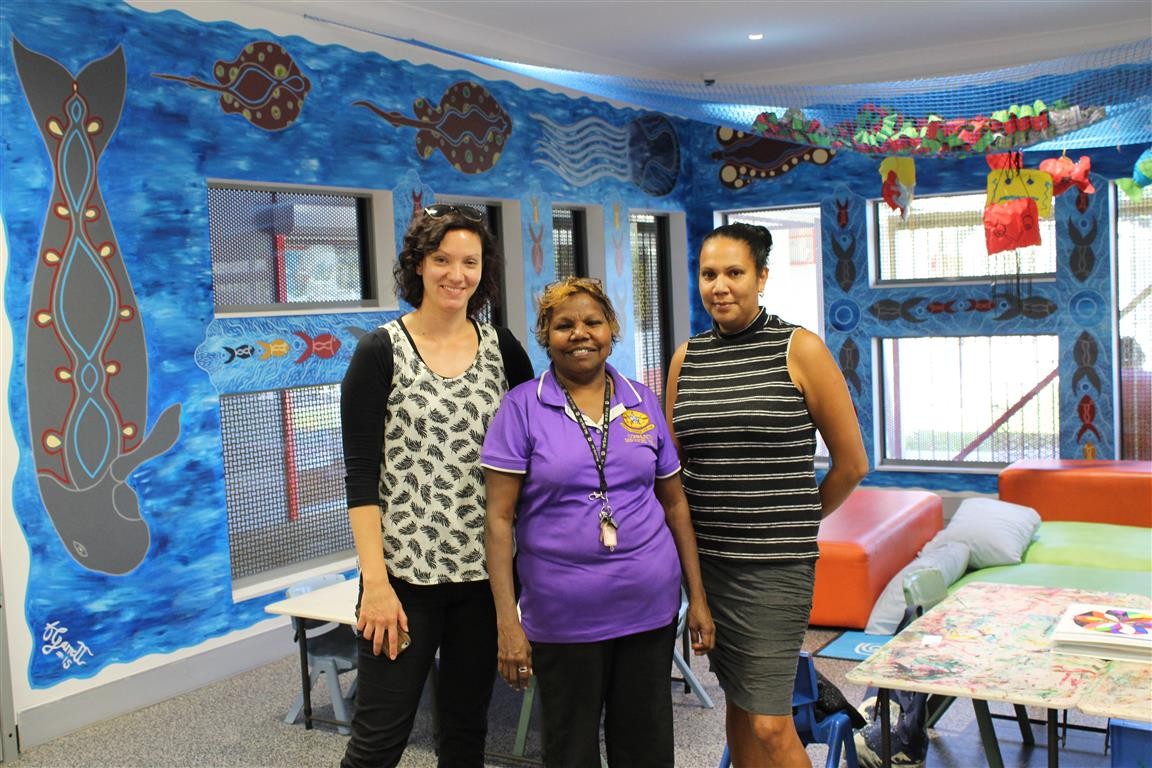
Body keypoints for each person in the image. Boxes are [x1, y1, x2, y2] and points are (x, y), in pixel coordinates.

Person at [482, 277, 714, 768]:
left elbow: (675, 504)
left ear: (612, 329)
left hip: (648, 608)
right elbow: (499, 519)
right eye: (564, 325)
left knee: (646, 747)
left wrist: (698, 599)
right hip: (562, 614)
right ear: (546, 334)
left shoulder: (642, 401)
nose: (580, 333)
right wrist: (507, 621)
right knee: (571, 749)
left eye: (593, 321)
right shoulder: (521, 407)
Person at [665, 222, 869, 767]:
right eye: (709, 274)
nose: (720, 286)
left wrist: (799, 521)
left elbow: (852, 464)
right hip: (708, 566)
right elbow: (671, 469)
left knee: (771, 723)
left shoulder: (799, 349)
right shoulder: (687, 360)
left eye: (735, 272)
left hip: (775, 567)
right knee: (739, 710)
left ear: (762, 277)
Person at [339, 204, 534, 768]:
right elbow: (361, 475)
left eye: (469, 262)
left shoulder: (503, 348)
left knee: (466, 733)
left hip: (484, 581)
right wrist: (374, 583)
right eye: (442, 259)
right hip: (403, 584)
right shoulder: (381, 351)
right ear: (419, 266)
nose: (456, 274)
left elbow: (537, 447)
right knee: (378, 741)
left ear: (483, 270)